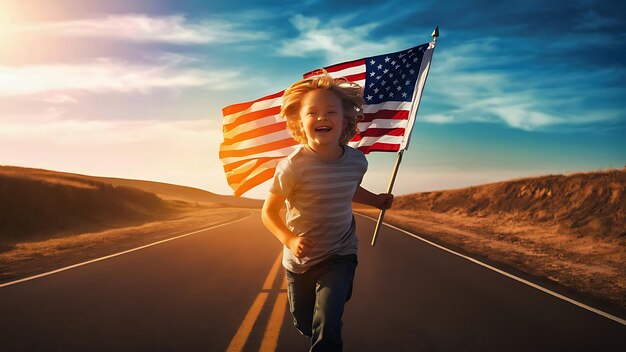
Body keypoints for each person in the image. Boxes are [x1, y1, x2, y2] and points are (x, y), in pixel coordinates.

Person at [261, 72, 394, 351]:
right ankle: (322, 322)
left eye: (330, 112)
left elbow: (350, 189)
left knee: (328, 320)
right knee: (305, 324)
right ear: (300, 122)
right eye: (313, 113)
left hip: (341, 254)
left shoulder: (356, 161)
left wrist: (377, 200)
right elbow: (269, 212)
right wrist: (290, 240)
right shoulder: (293, 165)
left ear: (345, 119)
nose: (322, 118)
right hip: (300, 262)